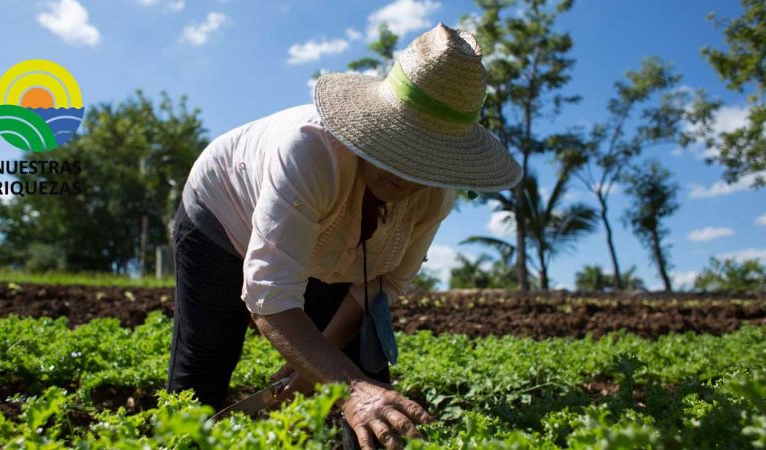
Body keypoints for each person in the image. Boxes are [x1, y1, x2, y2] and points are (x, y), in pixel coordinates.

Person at [167, 22, 522, 450]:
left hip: (325, 248)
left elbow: (379, 286)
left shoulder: (435, 198)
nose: (406, 174)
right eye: (398, 144)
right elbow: (269, 295)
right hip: (221, 215)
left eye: (425, 160)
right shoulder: (310, 152)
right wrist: (350, 389)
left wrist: (320, 369)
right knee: (204, 366)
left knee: (374, 400)